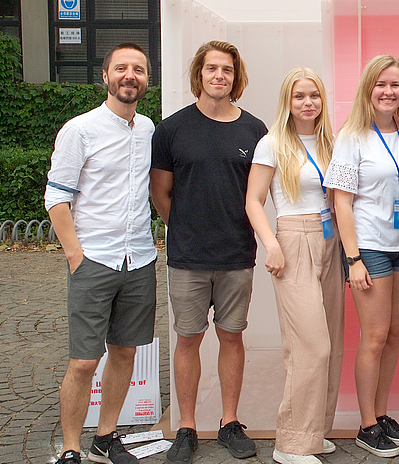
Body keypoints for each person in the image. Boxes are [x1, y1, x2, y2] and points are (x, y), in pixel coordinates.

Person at [150, 40, 267, 464]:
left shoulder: (255, 131)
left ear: (237, 78)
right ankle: (185, 426)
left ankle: (230, 421)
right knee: (188, 339)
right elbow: (160, 194)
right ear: (199, 73)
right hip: (188, 257)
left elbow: (258, 194)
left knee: (232, 337)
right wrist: (187, 226)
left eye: (228, 71)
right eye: (212, 69)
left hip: (237, 254)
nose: (219, 76)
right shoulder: (172, 129)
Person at [46, 43, 156, 464]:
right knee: (83, 361)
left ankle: (105, 438)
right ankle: (71, 447)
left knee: (125, 352)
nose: (131, 76)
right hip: (94, 260)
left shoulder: (148, 129)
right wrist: (76, 256)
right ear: (105, 76)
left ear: (147, 79)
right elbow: (56, 199)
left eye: (140, 70)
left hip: (139, 260)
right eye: (122, 68)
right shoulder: (81, 129)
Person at [245, 68, 344, 464]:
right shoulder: (271, 144)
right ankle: (290, 443)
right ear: (288, 101)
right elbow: (253, 200)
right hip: (293, 238)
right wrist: (271, 244)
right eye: (300, 96)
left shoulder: (331, 143)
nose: (308, 103)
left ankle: (314, 432)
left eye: (315, 96)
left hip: (330, 238)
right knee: (310, 346)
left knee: (331, 343)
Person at [323, 54, 399, 459]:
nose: (388, 92)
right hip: (370, 248)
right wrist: (354, 258)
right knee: (375, 336)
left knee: (394, 335)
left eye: (395, 85)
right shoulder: (352, 135)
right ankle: (365, 424)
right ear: (368, 88)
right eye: (381, 84)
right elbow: (340, 203)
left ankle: (381, 414)